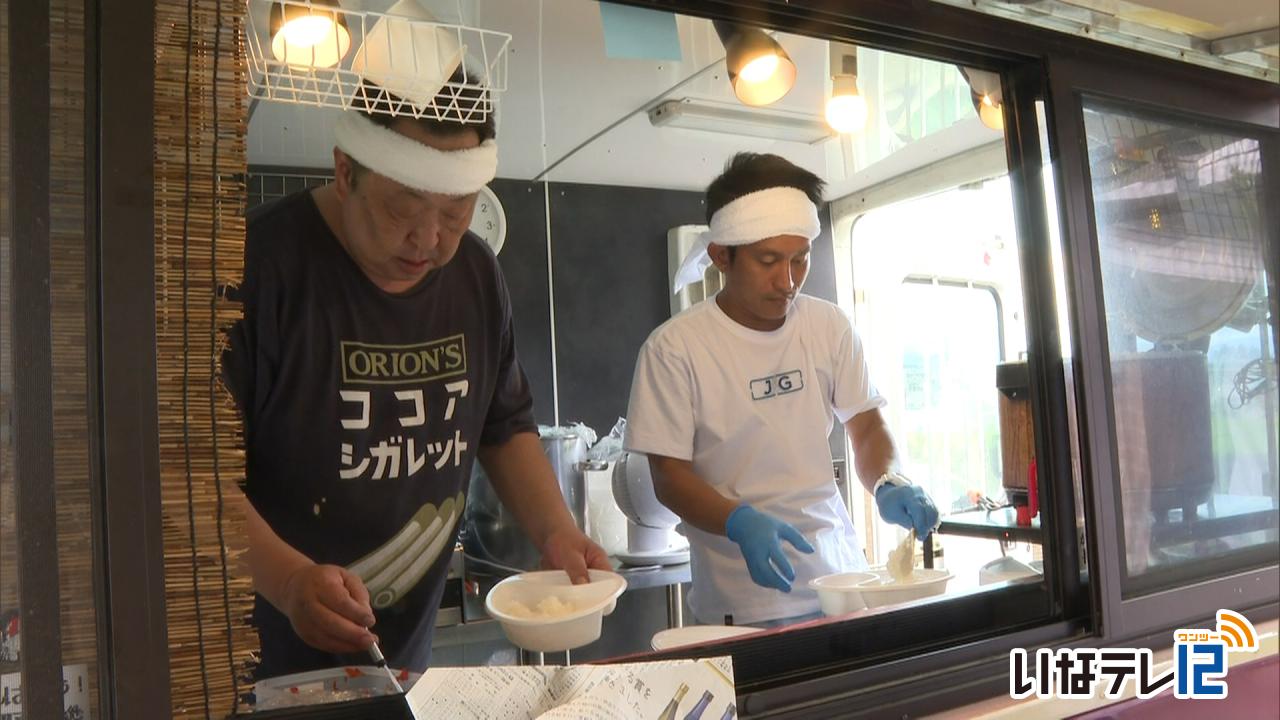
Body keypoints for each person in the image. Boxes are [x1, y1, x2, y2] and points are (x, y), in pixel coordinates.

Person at [223, 85, 608, 678]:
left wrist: (557, 532)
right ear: (345, 171)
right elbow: (189, 474)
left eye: (456, 213)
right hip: (258, 660)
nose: (429, 241)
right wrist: (290, 581)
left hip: (404, 661)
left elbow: (503, 426)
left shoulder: (477, 274)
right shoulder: (256, 270)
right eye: (403, 210)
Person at [624, 152, 939, 626]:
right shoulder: (675, 349)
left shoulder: (827, 326)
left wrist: (890, 480)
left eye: (800, 258)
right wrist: (738, 521)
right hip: (740, 601)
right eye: (768, 261)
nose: (787, 281)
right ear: (721, 256)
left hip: (841, 583)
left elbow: (867, 426)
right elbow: (669, 476)